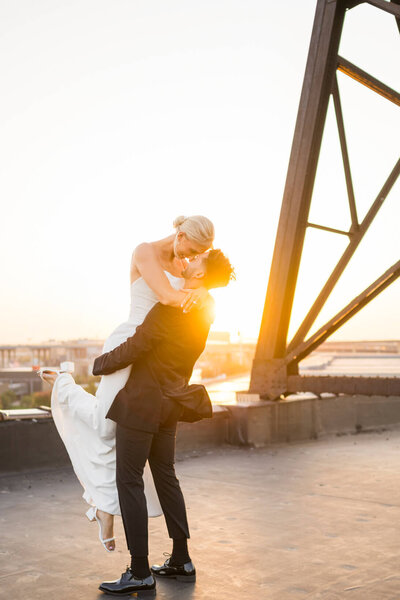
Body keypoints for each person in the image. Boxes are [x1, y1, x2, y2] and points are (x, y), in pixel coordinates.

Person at [41, 215, 215, 552]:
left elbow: (197, 288)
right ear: (179, 236)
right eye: (191, 250)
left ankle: (109, 512)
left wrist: (204, 287)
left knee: (146, 459)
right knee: (103, 425)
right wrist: (202, 293)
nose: (191, 259)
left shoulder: (187, 269)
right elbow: (166, 298)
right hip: (130, 346)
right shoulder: (146, 252)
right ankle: (63, 383)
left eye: (198, 256)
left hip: (155, 365)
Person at [93, 250, 234, 596]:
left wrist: (99, 364)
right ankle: (181, 560)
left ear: (200, 275)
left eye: (198, 260)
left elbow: (136, 347)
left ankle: (140, 571)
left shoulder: (171, 308)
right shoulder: (204, 311)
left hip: (142, 403)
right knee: (166, 476)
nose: (192, 260)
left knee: (129, 480)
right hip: (171, 403)